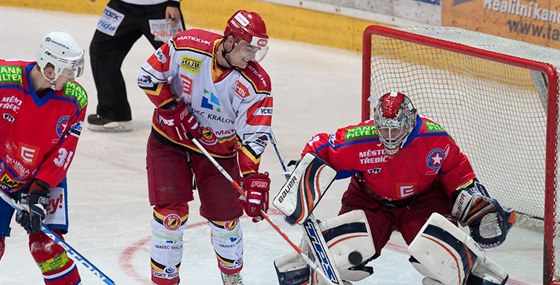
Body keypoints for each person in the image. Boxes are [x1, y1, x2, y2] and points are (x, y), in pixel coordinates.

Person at [274, 91, 516, 285]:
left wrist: (472, 197)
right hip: (369, 201)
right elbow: (320, 148)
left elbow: (458, 172)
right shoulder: (361, 137)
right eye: (384, 129)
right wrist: (301, 174)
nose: (389, 137)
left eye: (396, 129)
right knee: (340, 255)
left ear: (410, 122)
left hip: (423, 202)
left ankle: (477, 274)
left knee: (446, 258)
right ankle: (304, 271)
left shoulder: (434, 138)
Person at [137, 10, 272, 285]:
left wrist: (252, 180)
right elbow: (147, 77)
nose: (252, 57)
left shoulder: (257, 84)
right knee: (169, 216)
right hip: (170, 143)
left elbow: (253, 138)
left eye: (257, 51)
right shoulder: (187, 45)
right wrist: (172, 109)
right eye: (248, 48)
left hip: (220, 153)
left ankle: (232, 278)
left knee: (227, 222)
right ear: (231, 40)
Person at [0, 30, 87, 285]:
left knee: (47, 248)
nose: (72, 78)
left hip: (44, 178)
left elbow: (64, 152)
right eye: (68, 71)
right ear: (50, 69)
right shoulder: (4, 80)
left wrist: (39, 191)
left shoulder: (76, 99)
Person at [87, 0, 184, 132]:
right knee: (102, 51)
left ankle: (191, 118)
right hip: (121, 6)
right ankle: (114, 114)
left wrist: (174, 2)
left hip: (161, 8)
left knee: (179, 61)